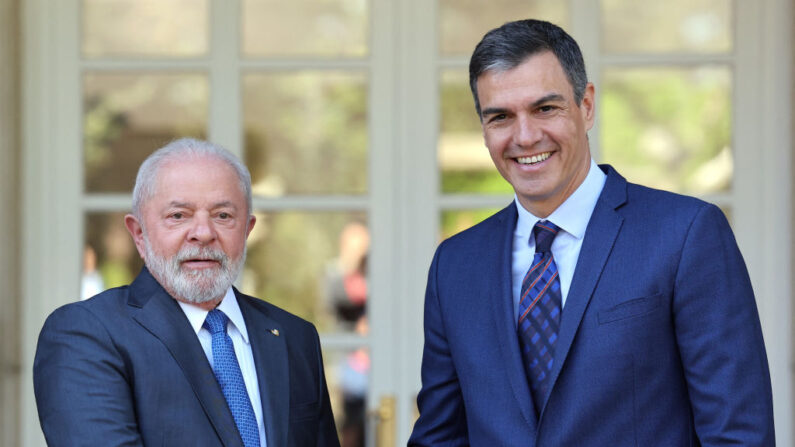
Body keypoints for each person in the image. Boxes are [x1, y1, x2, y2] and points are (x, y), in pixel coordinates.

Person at [409, 19, 774, 446]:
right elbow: (440, 438)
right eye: (501, 117)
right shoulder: (454, 266)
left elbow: (737, 434)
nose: (525, 137)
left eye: (545, 109)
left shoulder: (685, 235)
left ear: (586, 106)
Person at [34, 138, 340, 447]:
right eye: (178, 215)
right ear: (139, 234)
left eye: (223, 216)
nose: (203, 233)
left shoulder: (295, 337)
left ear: (247, 230)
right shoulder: (86, 334)